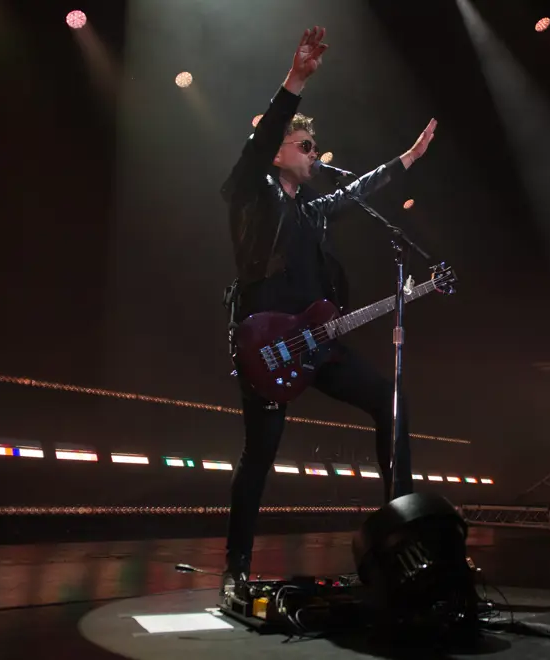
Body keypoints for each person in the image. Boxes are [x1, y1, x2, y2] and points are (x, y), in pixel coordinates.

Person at [219, 26, 437, 598]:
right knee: (259, 454)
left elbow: (360, 190)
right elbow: (262, 137)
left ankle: (400, 532)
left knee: (392, 402)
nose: (315, 156)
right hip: (267, 344)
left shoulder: (313, 211)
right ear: (277, 152)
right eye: (306, 147)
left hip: (319, 344)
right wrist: (295, 80)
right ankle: (235, 568)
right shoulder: (252, 189)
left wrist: (407, 159)